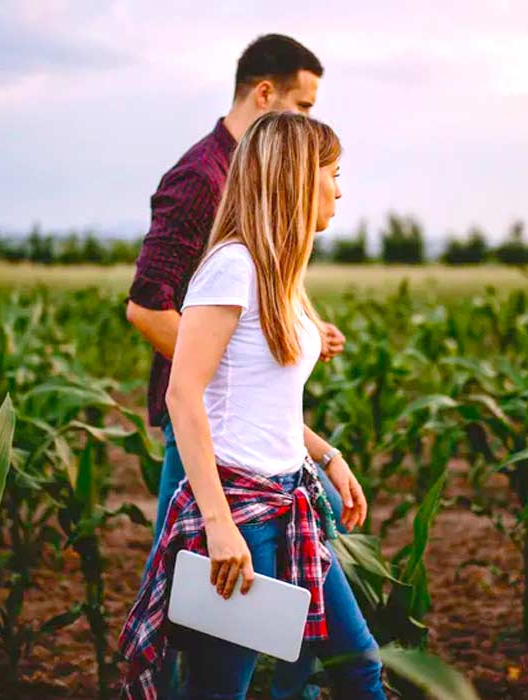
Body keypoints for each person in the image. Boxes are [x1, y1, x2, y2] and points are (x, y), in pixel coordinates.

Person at [119, 111, 384, 700]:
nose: (340, 189)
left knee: (358, 664)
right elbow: (184, 394)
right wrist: (218, 528)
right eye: (332, 173)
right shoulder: (231, 267)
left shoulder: (275, 275)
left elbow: (261, 399)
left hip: (292, 501)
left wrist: (327, 454)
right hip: (241, 514)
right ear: (293, 178)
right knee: (218, 692)